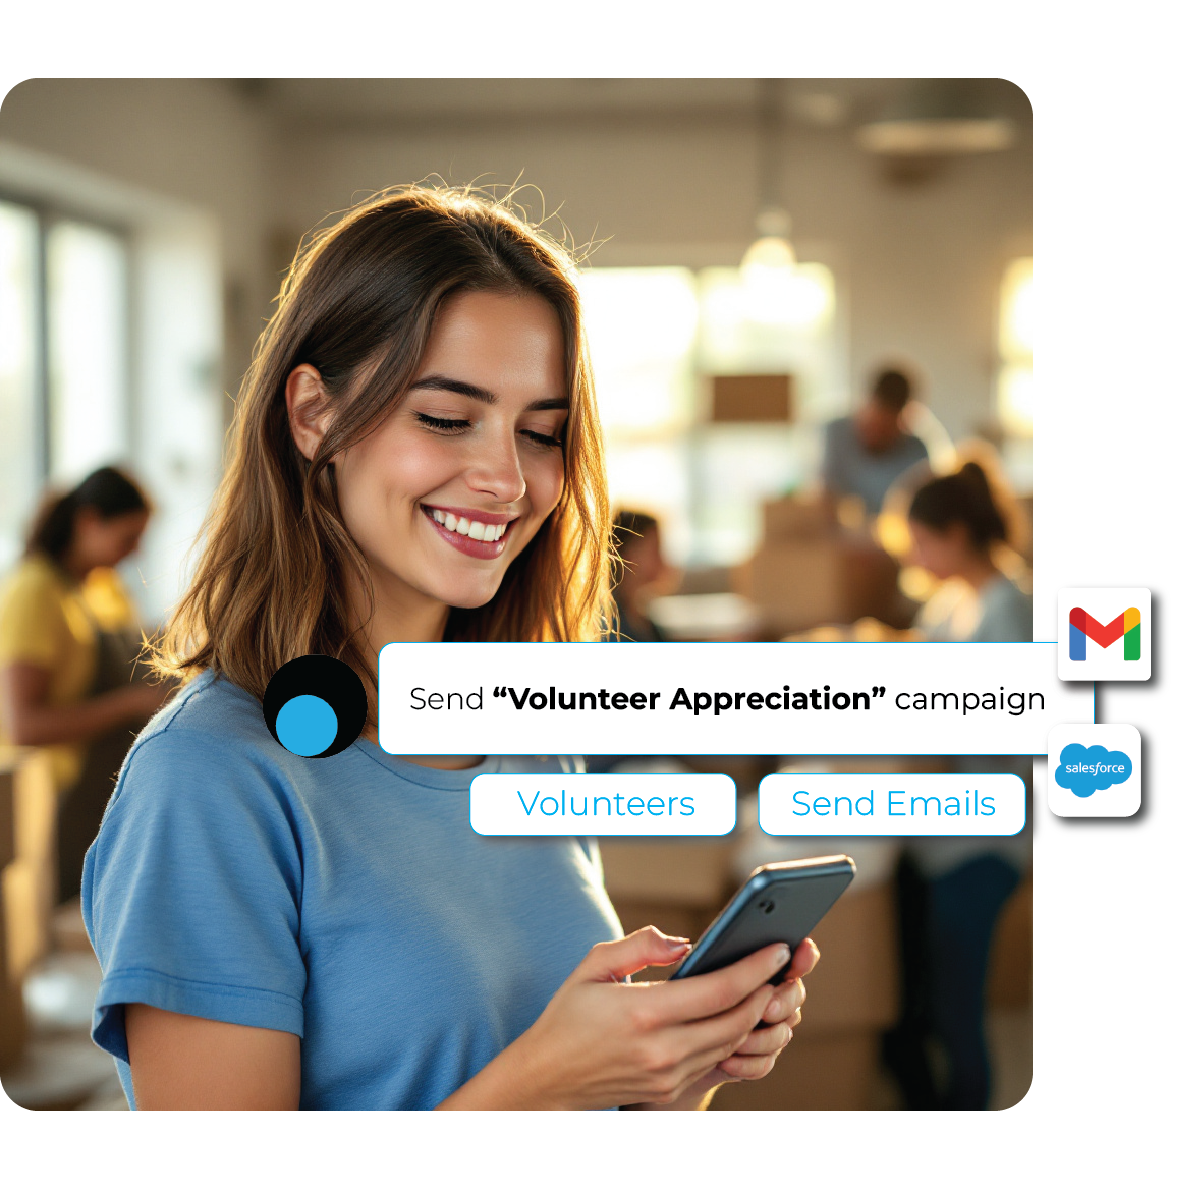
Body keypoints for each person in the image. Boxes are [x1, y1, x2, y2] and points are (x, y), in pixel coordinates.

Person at [80, 186, 819, 1111]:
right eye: (445, 418)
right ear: (313, 415)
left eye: (541, 432)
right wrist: (544, 1078)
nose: (508, 479)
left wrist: (676, 1068)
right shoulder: (210, 778)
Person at [880, 460, 1031, 1110]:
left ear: (956, 533)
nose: (912, 554)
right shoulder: (958, 601)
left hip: (979, 845)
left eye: (921, 539)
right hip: (946, 833)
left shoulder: (1007, 612)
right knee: (925, 1001)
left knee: (955, 1007)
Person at [0, 466, 166, 902]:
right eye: (127, 537)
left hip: (100, 793)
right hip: (52, 804)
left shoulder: (103, 588)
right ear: (89, 522)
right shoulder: (35, 591)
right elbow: (23, 725)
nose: (134, 551)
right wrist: (130, 704)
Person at [822, 366, 930, 520]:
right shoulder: (835, 433)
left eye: (885, 429)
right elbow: (825, 494)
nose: (875, 435)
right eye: (871, 426)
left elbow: (921, 514)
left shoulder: (917, 452)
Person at [607, 510, 671, 642]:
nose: (662, 560)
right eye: (655, 550)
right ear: (626, 555)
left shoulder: (641, 617)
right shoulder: (609, 624)